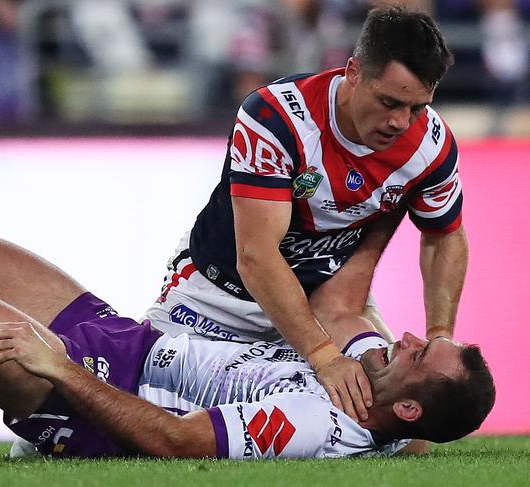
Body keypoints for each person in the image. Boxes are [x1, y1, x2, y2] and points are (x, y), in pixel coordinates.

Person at [0, 225, 494, 459]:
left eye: (419, 352)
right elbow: (414, 418)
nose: (409, 337)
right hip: (128, 340)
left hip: (89, 389)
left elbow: (174, 441)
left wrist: (61, 371)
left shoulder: (315, 423)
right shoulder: (381, 396)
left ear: (409, 405)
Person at [143, 5, 467, 422]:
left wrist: (440, 336)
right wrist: (322, 356)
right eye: (389, 102)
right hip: (217, 301)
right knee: (132, 414)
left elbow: (444, 236)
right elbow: (256, 256)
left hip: (330, 307)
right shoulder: (277, 118)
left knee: (405, 431)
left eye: (418, 107)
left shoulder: (430, 144)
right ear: (352, 72)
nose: (401, 122)